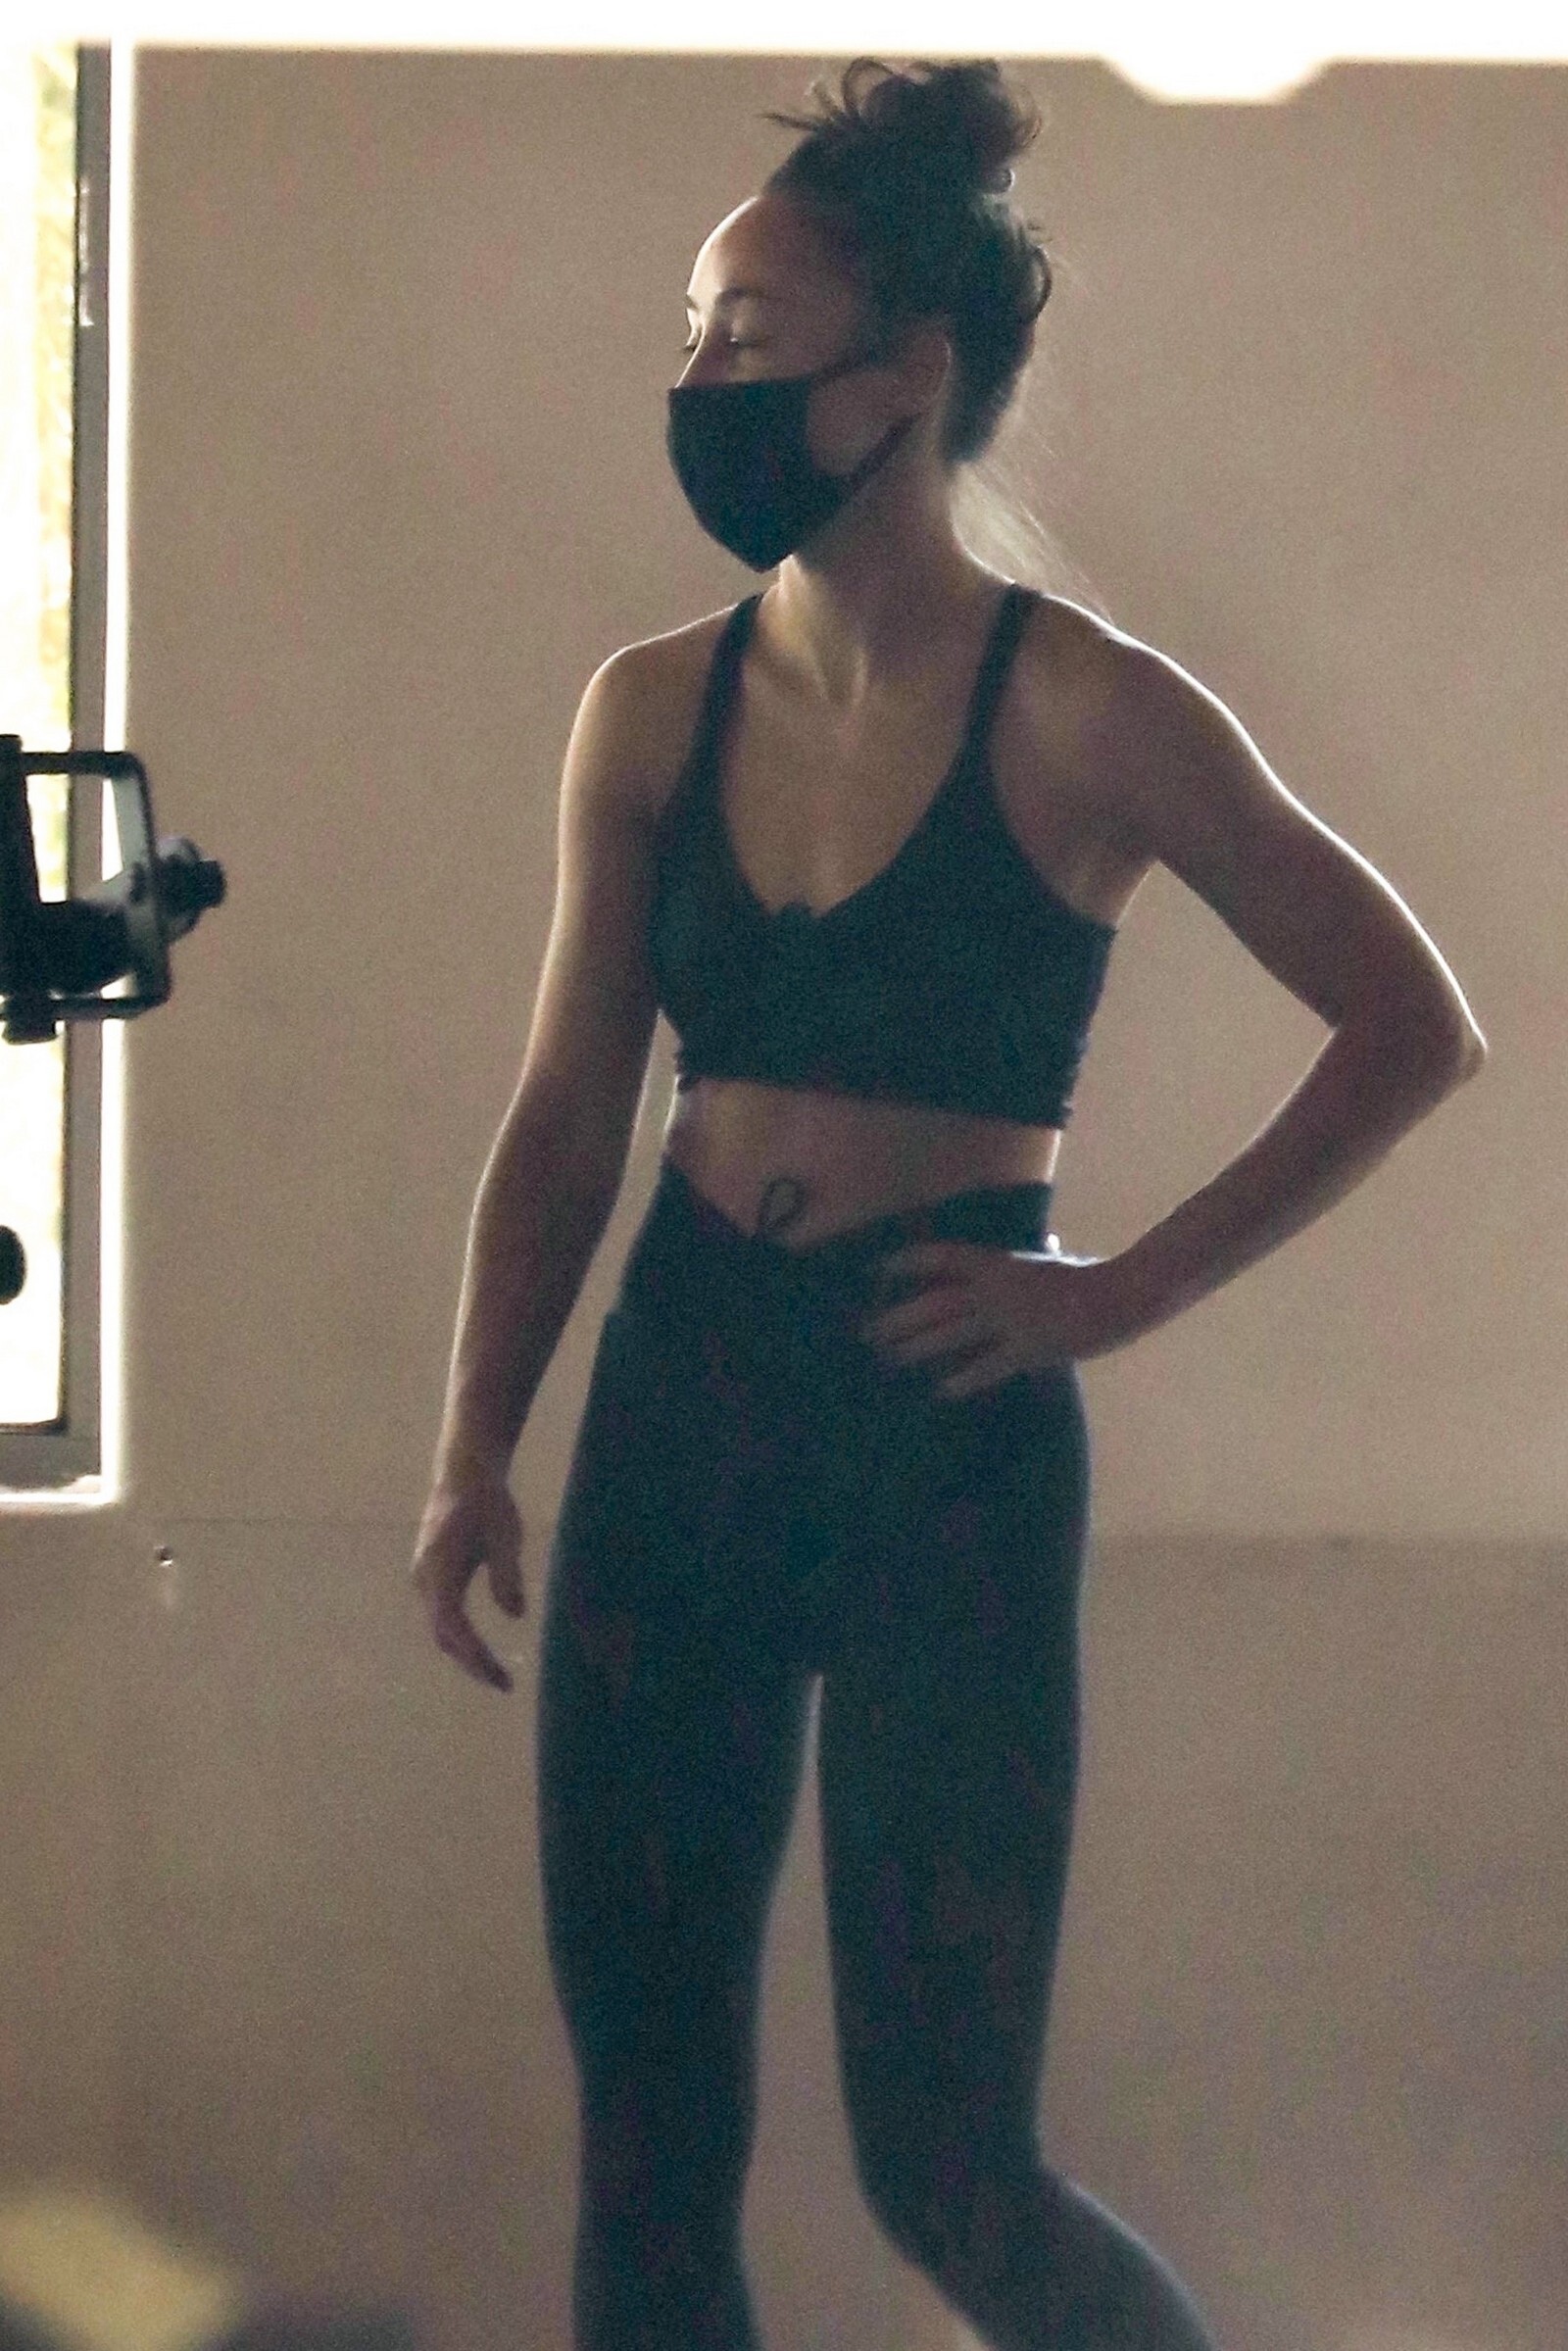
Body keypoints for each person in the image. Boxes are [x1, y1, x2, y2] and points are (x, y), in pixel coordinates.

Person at [411, 55, 1487, 2351]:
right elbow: (567, 1112)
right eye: (689, 332)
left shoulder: (1090, 707)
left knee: (948, 2168)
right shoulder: (644, 712)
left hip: (942, 1434)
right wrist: (469, 1442)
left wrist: (1111, 1298)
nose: (697, 379)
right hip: (684, 1400)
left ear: (902, 374)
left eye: (746, 333)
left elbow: (1410, 1024)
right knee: (647, 2157)